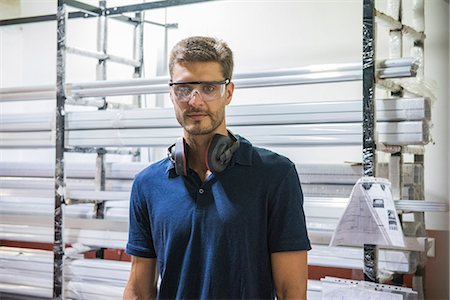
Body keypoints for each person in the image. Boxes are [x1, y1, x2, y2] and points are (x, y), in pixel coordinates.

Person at [124, 36, 311, 300]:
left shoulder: (275, 175)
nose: (195, 101)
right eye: (184, 88)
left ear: (229, 92)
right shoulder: (147, 184)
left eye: (209, 88)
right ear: (171, 93)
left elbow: (290, 290)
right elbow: (138, 289)